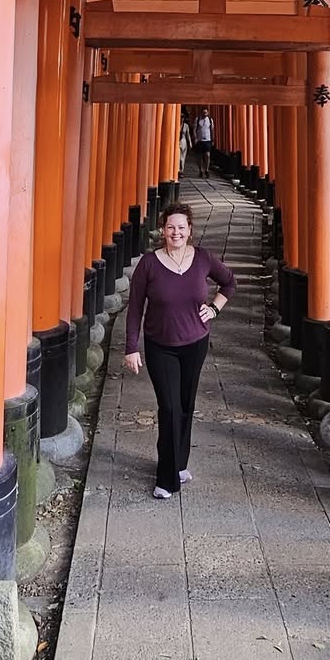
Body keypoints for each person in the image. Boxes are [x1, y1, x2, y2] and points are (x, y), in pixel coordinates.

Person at [124, 202, 236, 498]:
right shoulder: (149, 264)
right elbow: (135, 307)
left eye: (181, 227)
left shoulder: (203, 259)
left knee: (186, 405)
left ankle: (179, 463)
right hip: (160, 346)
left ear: (190, 230)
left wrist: (214, 309)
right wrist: (131, 347)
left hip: (195, 344)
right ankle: (166, 478)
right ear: (163, 230)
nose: (176, 232)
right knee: (170, 408)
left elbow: (229, 282)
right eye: (170, 227)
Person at [193, 107, 214, 179]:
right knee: (199, 156)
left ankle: (206, 170)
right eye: (204, 113)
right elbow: (194, 129)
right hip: (199, 140)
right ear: (201, 113)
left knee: (207, 155)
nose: (205, 114)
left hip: (207, 140)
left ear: (208, 113)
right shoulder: (198, 119)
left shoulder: (210, 120)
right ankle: (200, 170)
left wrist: (213, 139)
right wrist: (195, 138)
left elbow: (212, 130)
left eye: (206, 113)